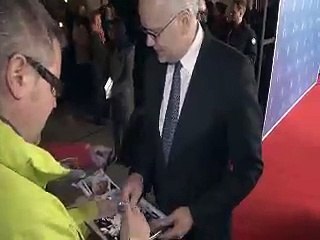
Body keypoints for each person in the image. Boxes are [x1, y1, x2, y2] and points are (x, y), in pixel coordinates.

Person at [0, 1, 149, 239]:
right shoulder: (33, 216)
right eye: (54, 86)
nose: (55, 102)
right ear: (19, 76)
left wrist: (87, 211)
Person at [121, 0, 264, 239]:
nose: (148, 42)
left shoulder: (233, 71)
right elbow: (151, 133)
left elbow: (249, 168)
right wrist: (140, 174)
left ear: (185, 20)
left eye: (154, 33)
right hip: (157, 220)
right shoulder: (152, 65)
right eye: (145, 31)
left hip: (206, 229)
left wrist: (196, 213)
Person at [224, 0, 258, 64]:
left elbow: (252, 58)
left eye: (234, 12)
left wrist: (238, 59)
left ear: (241, 14)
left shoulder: (249, 34)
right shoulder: (228, 28)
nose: (231, 14)